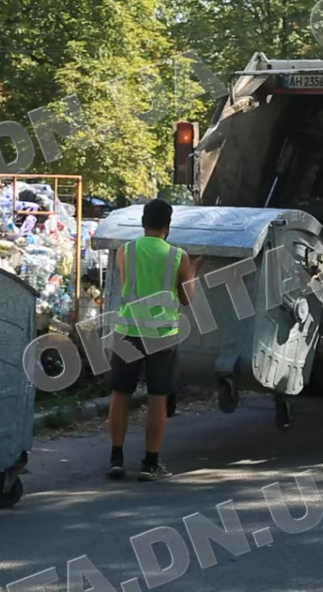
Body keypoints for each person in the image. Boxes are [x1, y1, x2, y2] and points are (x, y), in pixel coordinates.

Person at [108, 199, 203, 481]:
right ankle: (150, 463)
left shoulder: (125, 252)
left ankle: (116, 458)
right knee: (157, 398)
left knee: (120, 394)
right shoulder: (178, 256)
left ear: (143, 222)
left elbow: (127, 285)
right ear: (168, 225)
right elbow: (187, 298)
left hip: (128, 329)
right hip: (161, 335)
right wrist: (194, 271)